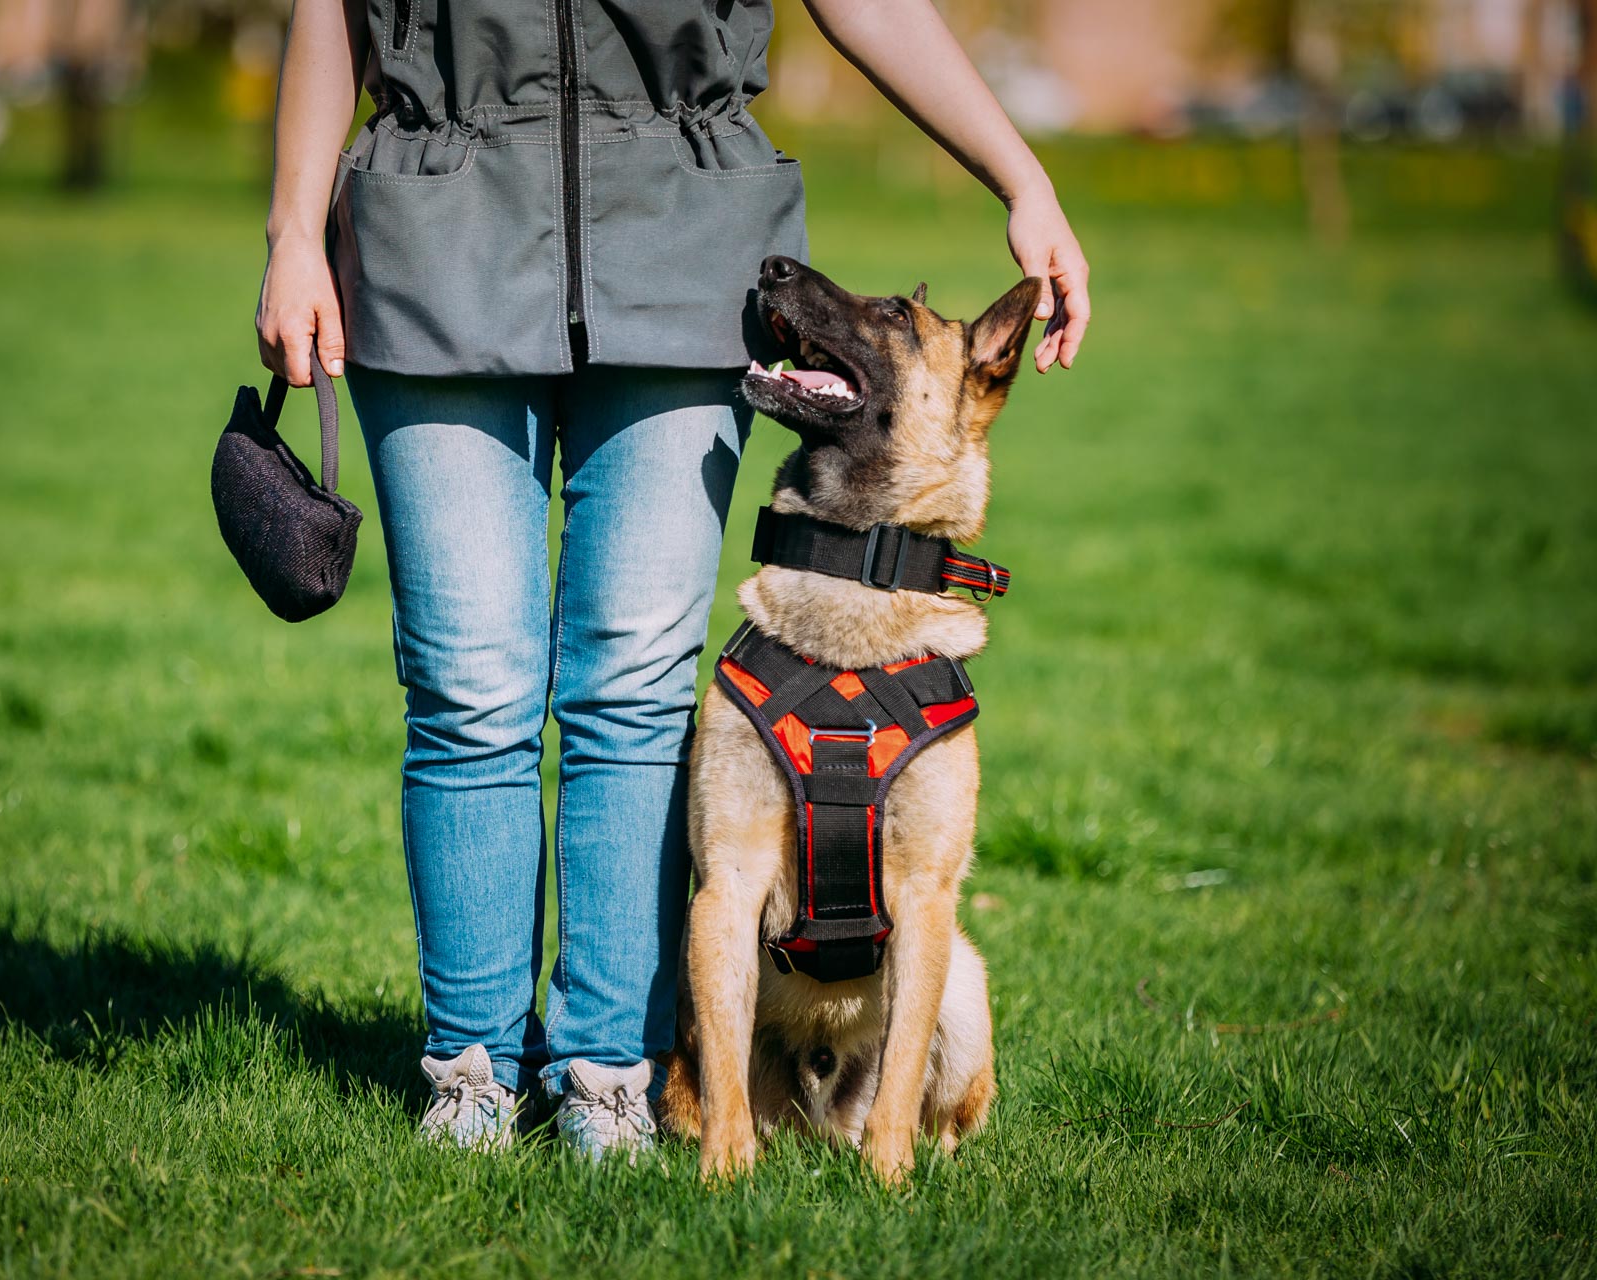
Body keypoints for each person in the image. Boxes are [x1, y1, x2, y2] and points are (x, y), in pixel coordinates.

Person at [256, 0, 1090, 1160]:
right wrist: (294, 228)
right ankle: (472, 1074)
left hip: (682, 246)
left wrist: (1021, 175)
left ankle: (609, 1075)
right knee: (466, 690)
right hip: (434, 238)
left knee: (636, 693)